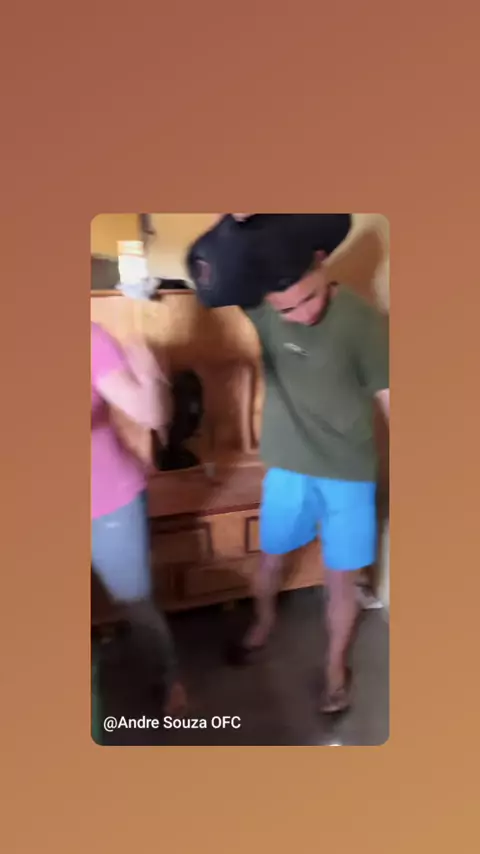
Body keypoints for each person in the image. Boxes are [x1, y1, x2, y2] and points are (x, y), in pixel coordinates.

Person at [186, 214, 389, 714]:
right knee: (271, 559)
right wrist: (232, 222)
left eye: (309, 298)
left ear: (321, 261)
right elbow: (210, 270)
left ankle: (334, 667)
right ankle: (263, 623)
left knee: (341, 579)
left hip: (348, 474)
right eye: (287, 308)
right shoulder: (259, 305)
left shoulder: (363, 323)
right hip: (288, 467)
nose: (300, 315)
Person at [91, 321, 186, 715]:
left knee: (135, 604)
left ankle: (169, 680)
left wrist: (149, 373)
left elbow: (152, 414)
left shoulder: (87, 339)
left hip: (107, 501)